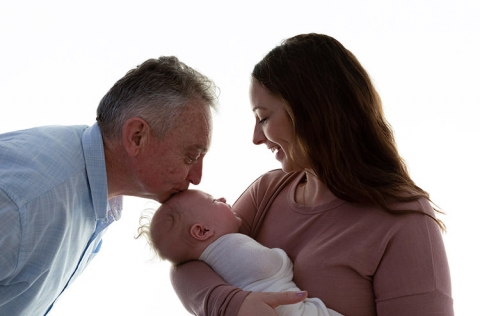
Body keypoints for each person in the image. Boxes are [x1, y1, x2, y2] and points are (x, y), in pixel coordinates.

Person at [170, 34, 454, 316]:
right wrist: (232, 305)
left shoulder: (403, 218)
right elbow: (186, 261)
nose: (257, 137)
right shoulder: (267, 192)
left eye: (264, 118)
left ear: (311, 112)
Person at [0, 56, 217, 315]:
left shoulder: (94, 192)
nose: (197, 177)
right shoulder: (25, 203)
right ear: (137, 136)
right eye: (191, 157)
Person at [138, 189, 342, 316]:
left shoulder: (209, 260)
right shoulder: (229, 246)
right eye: (213, 201)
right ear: (202, 231)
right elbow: (271, 266)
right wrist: (284, 258)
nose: (223, 198)